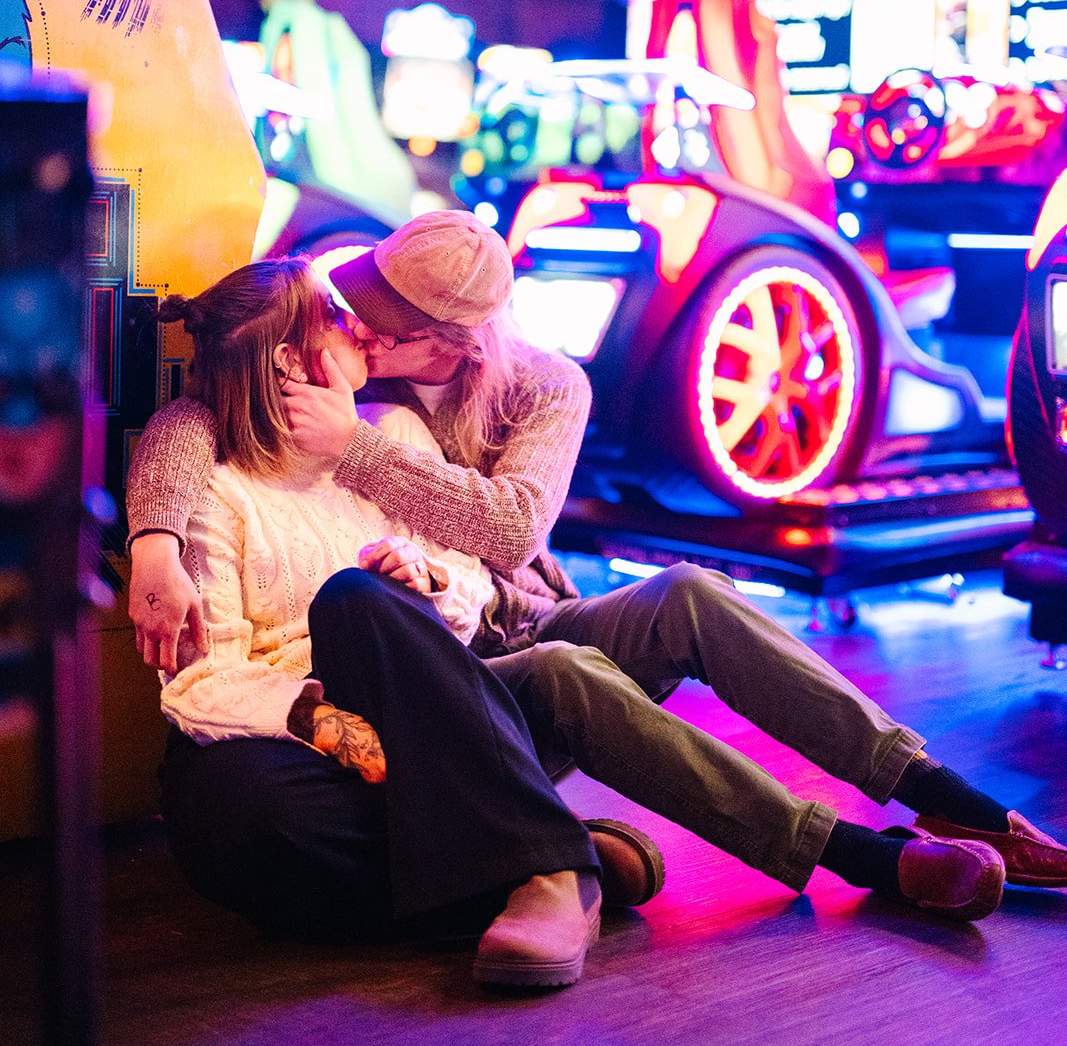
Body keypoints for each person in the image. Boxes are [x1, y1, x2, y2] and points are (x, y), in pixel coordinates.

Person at [128, 211, 1067, 918]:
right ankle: (839, 855)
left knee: (691, 594)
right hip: (419, 660)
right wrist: (155, 538)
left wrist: (363, 455)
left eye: (382, 329)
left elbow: (507, 534)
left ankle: (948, 801)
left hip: (515, 615)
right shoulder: (343, 395)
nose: (360, 335)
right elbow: (206, 413)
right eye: (352, 315)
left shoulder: (526, 390)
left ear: (450, 342)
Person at [141, 255, 665, 991]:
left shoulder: (390, 428)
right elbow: (204, 679)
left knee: (356, 598)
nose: (358, 324)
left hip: (420, 709)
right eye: (333, 316)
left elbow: (472, 586)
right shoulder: (216, 490)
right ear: (291, 360)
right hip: (301, 734)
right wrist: (324, 723)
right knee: (245, 818)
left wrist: (427, 579)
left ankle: (536, 865)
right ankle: (542, 861)